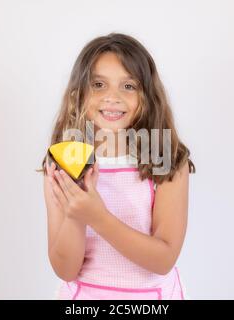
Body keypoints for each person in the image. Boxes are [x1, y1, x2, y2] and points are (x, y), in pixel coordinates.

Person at [36, 33, 196, 299]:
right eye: (98, 84)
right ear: (79, 94)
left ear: (148, 95)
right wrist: (76, 214)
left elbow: (163, 259)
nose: (112, 97)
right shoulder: (62, 164)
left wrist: (97, 217)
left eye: (128, 86)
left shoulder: (166, 162)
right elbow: (65, 269)